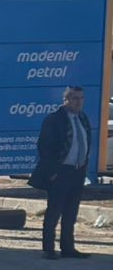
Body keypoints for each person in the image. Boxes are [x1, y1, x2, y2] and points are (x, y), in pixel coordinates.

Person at [29, 85, 94, 259]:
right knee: (54, 211)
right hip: (60, 171)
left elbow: (86, 141)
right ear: (66, 100)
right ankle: (48, 248)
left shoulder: (83, 118)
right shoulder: (54, 119)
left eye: (81, 98)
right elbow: (44, 146)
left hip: (77, 171)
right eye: (75, 98)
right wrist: (52, 172)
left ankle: (68, 248)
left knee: (71, 212)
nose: (79, 102)